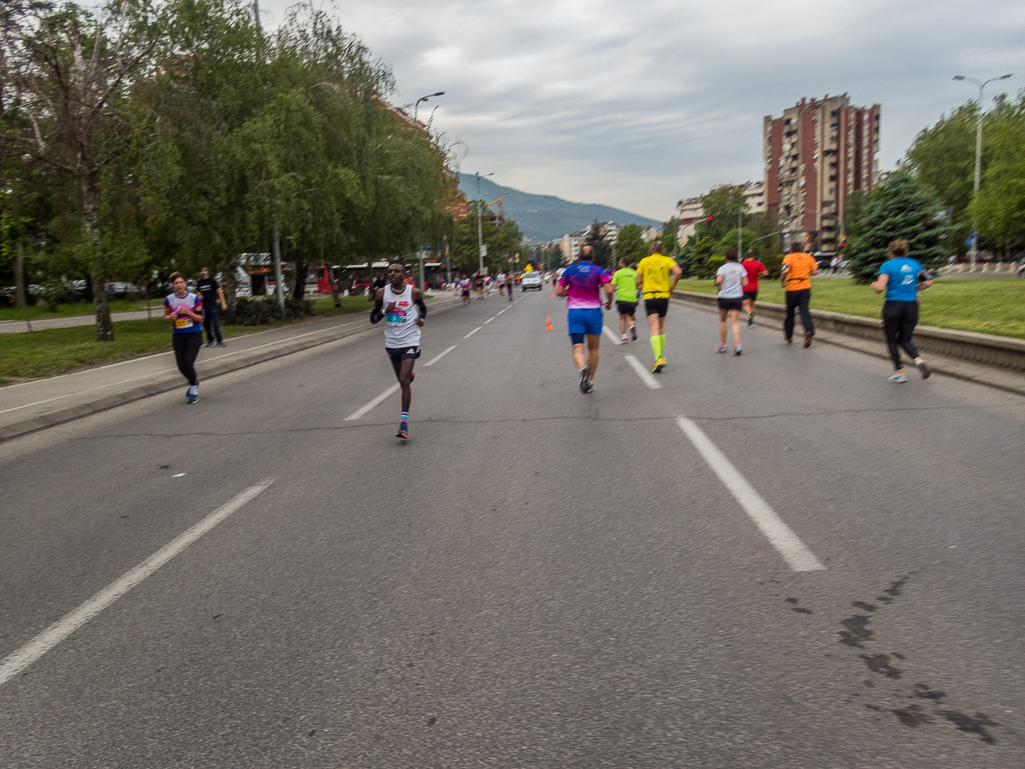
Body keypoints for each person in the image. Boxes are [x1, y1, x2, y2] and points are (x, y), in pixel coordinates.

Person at [370, 262, 428, 439]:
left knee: (403, 380)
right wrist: (383, 312)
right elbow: (373, 319)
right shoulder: (382, 293)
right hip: (392, 342)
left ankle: (404, 424)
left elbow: (423, 308)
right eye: (390, 271)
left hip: (410, 340)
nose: (392, 274)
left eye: (396, 271)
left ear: (404, 275)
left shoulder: (413, 292)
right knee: (402, 379)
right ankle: (409, 376)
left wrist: (421, 319)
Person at [871, 239, 933, 383]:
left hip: (893, 305)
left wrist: (874, 286)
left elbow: (880, 288)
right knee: (906, 339)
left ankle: (900, 373)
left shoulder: (887, 266)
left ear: (891, 252)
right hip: (911, 306)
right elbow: (929, 281)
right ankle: (919, 361)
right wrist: (914, 288)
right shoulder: (915, 264)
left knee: (891, 340)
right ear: (905, 251)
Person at [556, 245, 614, 393]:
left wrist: (572, 291)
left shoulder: (570, 270)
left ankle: (582, 368)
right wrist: (609, 302)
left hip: (575, 313)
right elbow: (609, 289)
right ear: (593, 258)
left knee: (577, 348)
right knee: (593, 349)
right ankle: (590, 381)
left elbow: (559, 291)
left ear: (579, 257)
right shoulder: (598, 270)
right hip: (594, 312)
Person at [636, 241, 682, 372]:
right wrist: (673, 285)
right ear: (662, 251)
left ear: (651, 250)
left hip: (650, 297)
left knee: (653, 328)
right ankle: (661, 356)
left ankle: (658, 358)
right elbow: (678, 272)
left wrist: (643, 284)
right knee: (661, 326)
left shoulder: (644, 261)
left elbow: (638, 280)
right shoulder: (667, 260)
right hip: (663, 297)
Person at [163, 272, 204, 404]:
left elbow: (200, 318)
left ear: (185, 284)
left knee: (187, 363)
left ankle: (193, 390)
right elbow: (165, 317)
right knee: (180, 365)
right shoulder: (169, 299)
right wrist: (170, 318)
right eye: (176, 283)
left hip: (194, 334)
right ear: (173, 285)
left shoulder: (194, 298)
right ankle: (194, 382)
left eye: (181, 282)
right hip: (178, 335)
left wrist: (188, 312)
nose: (179, 285)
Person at [780, 237, 819, 347]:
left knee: (790, 313)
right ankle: (808, 330)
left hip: (792, 288)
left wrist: (782, 280)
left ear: (791, 249)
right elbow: (815, 271)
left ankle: (788, 337)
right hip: (805, 287)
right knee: (804, 311)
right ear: (801, 249)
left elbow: (785, 271)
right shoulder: (808, 257)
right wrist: (805, 273)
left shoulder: (788, 258)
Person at [715, 248, 748, 355]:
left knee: (723, 320)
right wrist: (739, 286)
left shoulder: (722, 268)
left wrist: (719, 286)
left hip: (724, 297)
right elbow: (746, 282)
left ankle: (723, 345)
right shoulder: (740, 267)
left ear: (726, 258)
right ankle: (738, 346)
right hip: (737, 297)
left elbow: (718, 280)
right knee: (734, 321)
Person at [196, 266, 227, 348]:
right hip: (204, 306)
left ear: (207, 272)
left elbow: (219, 292)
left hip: (213, 305)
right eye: (202, 271)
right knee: (206, 324)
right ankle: (210, 340)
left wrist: (223, 302)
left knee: (215, 324)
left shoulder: (212, 281)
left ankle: (220, 340)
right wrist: (199, 295)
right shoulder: (199, 282)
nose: (203, 273)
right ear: (200, 273)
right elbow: (198, 292)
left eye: (205, 271)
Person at [610, 258, 639, 344]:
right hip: (631, 298)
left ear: (623, 263)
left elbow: (613, 286)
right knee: (630, 317)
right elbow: (638, 284)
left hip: (621, 298)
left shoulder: (617, 273)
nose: (619, 263)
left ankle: (624, 337)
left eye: (620, 262)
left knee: (622, 318)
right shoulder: (634, 273)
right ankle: (632, 326)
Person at [740, 250, 767, 328]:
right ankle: (751, 322)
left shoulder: (743, 265)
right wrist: (759, 273)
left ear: (746, 257)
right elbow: (765, 273)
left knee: (746, 305)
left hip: (745, 287)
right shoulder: (758, 264)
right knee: (752, 305)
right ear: (753, 257)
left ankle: (749, 314)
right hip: (755, 288)